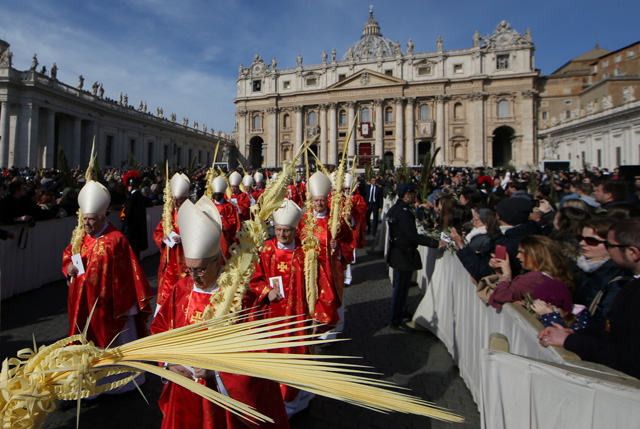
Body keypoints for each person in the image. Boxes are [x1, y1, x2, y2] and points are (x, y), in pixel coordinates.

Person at [151, 196, 288, 428]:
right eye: (189, 268)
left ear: (218, 262)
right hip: (183, 389)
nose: (194, 276)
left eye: (201, 269)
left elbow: (255, 351)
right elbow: (161, 329)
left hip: (220, 397)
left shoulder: (238, 297)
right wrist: (167, 364)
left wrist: (216, 371)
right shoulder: (181, 289)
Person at [62, 180, 153, 390]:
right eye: (84, 219)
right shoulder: (81, 237)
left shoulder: (116, 240)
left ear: (103, 217)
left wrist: (125, 306)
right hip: (82, 303)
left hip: (110, 308)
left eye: (91, 220)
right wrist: (68, 269)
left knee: (114, 346)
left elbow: (126, 277)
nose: (87, 224)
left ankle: (120, 386)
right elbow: (68, 255)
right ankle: (87, 388)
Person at [539, 218, 640, 379]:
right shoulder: (633, 282)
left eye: (610, 246)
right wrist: (574, 334)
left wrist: (570, 341)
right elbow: (611, 326)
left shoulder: (626, 283)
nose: (608, 250)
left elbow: (633, 360)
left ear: (633, 253)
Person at [250, 199, 315, 417]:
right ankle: (273, 396)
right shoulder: (266, 249)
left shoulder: (305, 251)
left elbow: (315, 284)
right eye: (277, 230)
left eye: (286, 231)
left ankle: (294, 400)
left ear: (295, 230)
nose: (281, 235)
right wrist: (267, 290)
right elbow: (254, 279)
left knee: (297, 355)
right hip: (272, 316)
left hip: (297, 316)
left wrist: (316, 314)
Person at [298, 171, 352, 334]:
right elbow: (298, 240)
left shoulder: (335, 219)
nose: (319, 203)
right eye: (316, 200)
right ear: (312, 200)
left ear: (326, 199)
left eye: (322, 200)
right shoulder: (305, 219)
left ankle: (330, 331)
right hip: (311, 267)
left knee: (330, 298)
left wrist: (338, 246)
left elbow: (348, 240)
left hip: (330, 267)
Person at [386, 182, 439, 330]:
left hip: (397, 252)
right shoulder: (404, 212)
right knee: (401, 287)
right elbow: (412, 236)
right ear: (407, 194)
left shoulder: (395, 209)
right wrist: (433, 242)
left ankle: (400, 312)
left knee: (400, 286)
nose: (415, 197)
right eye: (413, 194)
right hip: (404, 254)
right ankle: (396, 318)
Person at [487, 235, 573, 309]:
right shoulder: (548, 276)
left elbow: (501, 296)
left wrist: (506, 275)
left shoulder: (535, 278)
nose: (518, 256)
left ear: (535, 254)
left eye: (521, 252)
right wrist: (500, 273)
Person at [573, 217, 631, 323]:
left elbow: (605, 319)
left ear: (611, 244)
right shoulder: (581, 266)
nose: (582, 243)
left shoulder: (620, 277)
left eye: (591, 241)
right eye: (580, 238)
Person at [153, 173, 190, 312]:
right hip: (169, 261)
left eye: (179, 200)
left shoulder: (192, 214)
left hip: (183, 260)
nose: (176, 203)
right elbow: (158, 232)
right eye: (175, 200)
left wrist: (183, 239)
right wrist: (162, 238)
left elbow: (198, 235)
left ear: (186, 199)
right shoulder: (168, 215)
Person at [121, 170, 150, 258]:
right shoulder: (141, 197)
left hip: (131, 232)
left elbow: (127, 215)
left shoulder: (131, 199)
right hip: (139, 232)